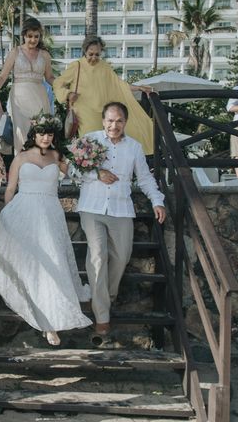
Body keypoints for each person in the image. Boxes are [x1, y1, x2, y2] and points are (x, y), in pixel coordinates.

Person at [0, 113, 92, 346]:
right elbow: (10, 188)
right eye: (41, 133)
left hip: (50, 212)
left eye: (49, 134)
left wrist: (83, 158)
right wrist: (7, 215)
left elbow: (78, 175)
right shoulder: (21, 157)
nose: (45, 137)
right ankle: (44, 320)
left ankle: (51, 323)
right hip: (25, 211)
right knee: (34, 267)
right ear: (33, 135)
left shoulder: (57, 156)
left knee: (54, 264)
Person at [77, 102, 166, 342]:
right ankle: (102, 317)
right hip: (92, 207)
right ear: (103, 120)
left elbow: (145, 178)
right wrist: (98, 173)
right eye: (109, 120)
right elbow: (73, 171)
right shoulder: (89, 140)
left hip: (121, 209)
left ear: (125, 122)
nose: (113, 125)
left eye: (118, 121)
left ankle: (106, 296)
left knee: (122, 256)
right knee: (97, 256)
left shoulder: (134, 147)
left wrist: (157, 201)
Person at [53, 36, 156, 154]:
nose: (94, 58)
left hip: (102, 113)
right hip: (84, 112)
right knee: (89, 145)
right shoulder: (76, 66)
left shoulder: (105, 67)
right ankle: (87, 170)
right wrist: (68, 94)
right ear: (84, 51)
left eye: (97, 54)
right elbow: (57, 83)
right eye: (90, 54)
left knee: (103, 146)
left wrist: (138, 87)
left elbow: (119, 85)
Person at [0, 17, 56, 152]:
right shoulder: (15, 52)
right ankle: (21, 168)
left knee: (42, 131)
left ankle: (40, 166)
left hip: (40, 97)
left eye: (36, 36)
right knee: (21, 133)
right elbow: (2, 76)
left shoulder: (45, 55)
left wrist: (63, 88)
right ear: (24, 35)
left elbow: (49, 77)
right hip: (19, 98)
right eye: (30, 36)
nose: (33, 40)